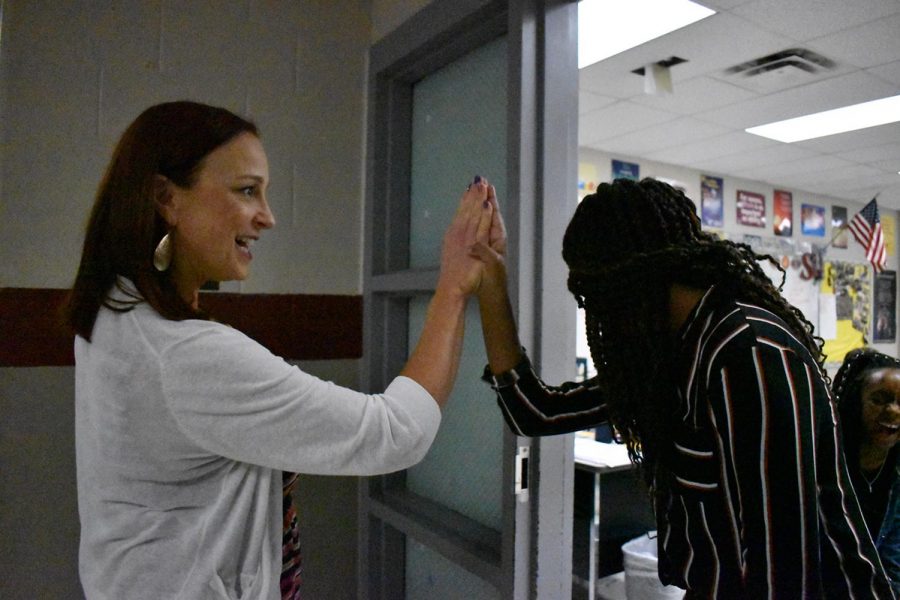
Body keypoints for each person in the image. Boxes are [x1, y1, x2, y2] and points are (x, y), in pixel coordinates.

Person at [66, 101, 493, 599]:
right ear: (166, 197)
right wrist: (453, 287)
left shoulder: (113, 309)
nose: (267, 217)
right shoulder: (187, 357)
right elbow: (397, 432)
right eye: (247, 191)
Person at [472, 177, 894, 598]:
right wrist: (492, 278)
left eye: (593, 295)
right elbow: (535, 411)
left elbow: (784, 569)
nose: (595, 315)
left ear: (626, 282)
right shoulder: (666, 355)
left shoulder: (748, 352)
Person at [834, 348, 900, 593]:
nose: (893, 411)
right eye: (879, 399)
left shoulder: (896, 473)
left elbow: (893, 558)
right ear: (855, 403)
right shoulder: (827, 466)